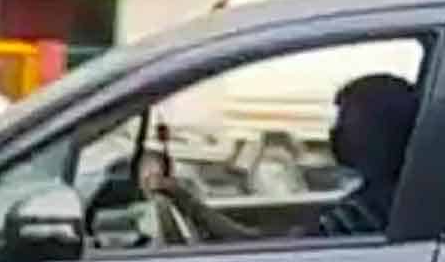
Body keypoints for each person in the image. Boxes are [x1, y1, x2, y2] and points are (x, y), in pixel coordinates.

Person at [153, 73, 420, 241]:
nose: (335, 132)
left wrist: (189, 204)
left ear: (380, 131)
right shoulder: (386, 197)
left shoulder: (371, 212)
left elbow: (264, 250)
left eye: (347, 122)